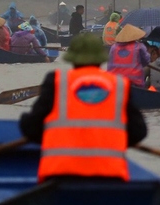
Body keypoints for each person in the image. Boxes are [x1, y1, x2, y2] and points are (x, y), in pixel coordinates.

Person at [18, 33, 147, 181]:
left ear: (72, 59)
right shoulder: (119, 85)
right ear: (101, 59)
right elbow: (138, 132)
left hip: (60, 176)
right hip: (110, 178)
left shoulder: (56, 81)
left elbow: (31, 128)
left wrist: (53, 137)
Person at [107, 24, 151, 88]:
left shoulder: (114, 47)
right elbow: (147, 61)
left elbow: (110, 64)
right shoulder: (139, 46)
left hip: (115, 80)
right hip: (134, 82)